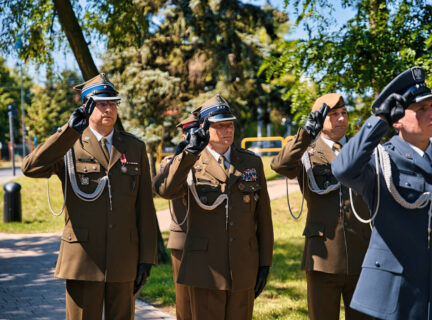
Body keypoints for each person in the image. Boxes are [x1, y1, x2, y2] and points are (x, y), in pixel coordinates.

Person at [331, 67, 432, 320]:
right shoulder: (381, 161)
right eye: (421, 109)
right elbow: (343, 168)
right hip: (395, 301)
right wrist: (380, 120)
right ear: (397, 119)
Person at [22, 73, 158, 320]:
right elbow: (31, 168)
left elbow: (145, 208)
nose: (109, 108)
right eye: (102, 103)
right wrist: (68, 132)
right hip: (83, 259)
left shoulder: (133, 147)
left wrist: (146, 258)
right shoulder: (69, 143)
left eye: (113, 103)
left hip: (123, 258)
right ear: (87, 106)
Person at [154, 94, 274, 320]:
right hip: (205, 268)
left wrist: (265, 263)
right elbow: (165, 190)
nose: (227, 130)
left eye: (229, 125)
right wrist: (187, 154)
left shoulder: (251, 162)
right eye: (219, 126)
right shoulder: (190, 161)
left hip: (243, 265)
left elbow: (264, 218)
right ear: (204, 129)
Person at [271, 93, 371, 320]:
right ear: (320, 119)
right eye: (333, 114)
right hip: (322, 256)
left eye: (344, 113)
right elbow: (280, 164)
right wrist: (305, 134)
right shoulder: (307, 151)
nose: (341, 119)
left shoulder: (361, 149)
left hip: (362, 253)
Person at [153, 114, 199, 320]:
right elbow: (161, 186)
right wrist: (182, 157)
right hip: (183, 240)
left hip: (212, 239)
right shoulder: (171, 162)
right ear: (183, 135)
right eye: (191, 132)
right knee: (185, 303)